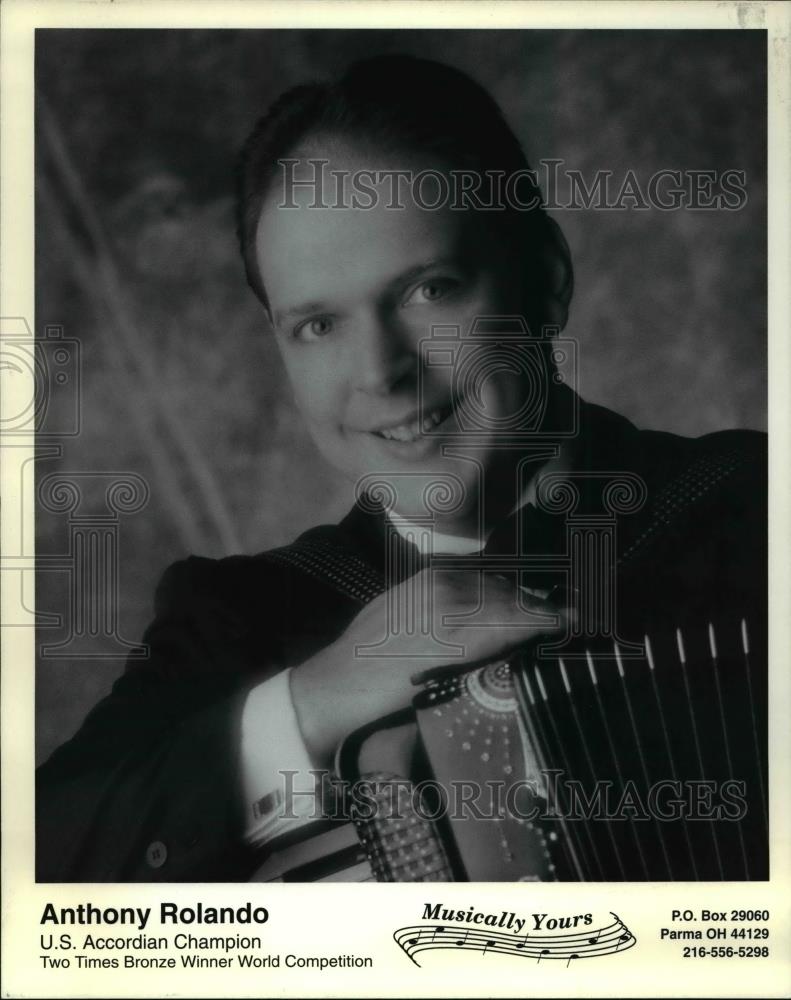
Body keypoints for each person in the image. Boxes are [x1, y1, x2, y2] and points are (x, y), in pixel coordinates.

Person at [36, 55, 766, 882]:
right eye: (317, 326)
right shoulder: (239, 620)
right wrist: (321, 696)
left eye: (429, 290)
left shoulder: (755, 509)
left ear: (546, 283)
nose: (381, 371)